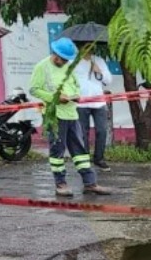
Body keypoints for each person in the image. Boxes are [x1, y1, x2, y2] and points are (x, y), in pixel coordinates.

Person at [29, 37, 110, 196]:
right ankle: (60, 184)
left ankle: (90, 183)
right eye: (63, 59)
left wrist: (75, 95)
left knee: (80, 150)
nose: (66, 62)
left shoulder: (68, 66)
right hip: (55, 115)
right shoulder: (42, 67)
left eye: (67, 60)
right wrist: (55, 96)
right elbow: (34, 89)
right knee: (57, 151)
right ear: (55, 55)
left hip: (72, 113)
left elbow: (75, 84)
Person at [73, 42, 112, 170]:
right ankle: (84, 159)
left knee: (102, 130)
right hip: (81, 103)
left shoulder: (99, 61)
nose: (89, 50)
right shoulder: (73, 62)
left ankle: (99, 158)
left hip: (99, 102)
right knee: (83, 132)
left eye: (91, 47)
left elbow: (108, 80)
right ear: (80, 48)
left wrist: (99, 72)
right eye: (86, 47)